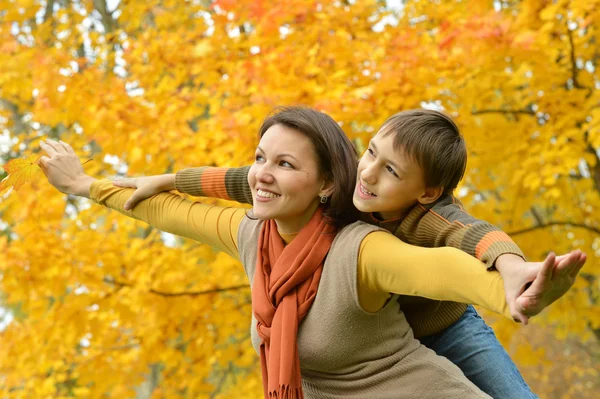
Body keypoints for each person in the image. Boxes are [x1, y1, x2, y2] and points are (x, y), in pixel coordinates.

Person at [39, 107, 583, 399]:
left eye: (391, 170)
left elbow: (458, 252)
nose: (370, 173)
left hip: (444, 324)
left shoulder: (402, 229)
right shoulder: (280, 218)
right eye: (369, 154)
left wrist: (512, 278)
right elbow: (224, 187)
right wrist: (90, 184)